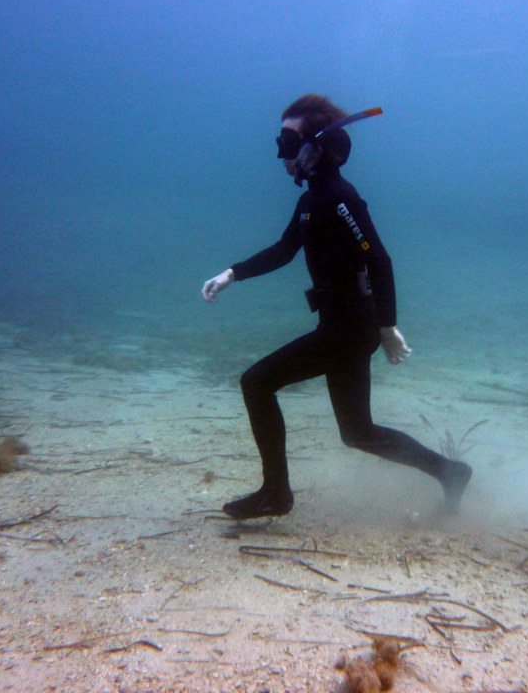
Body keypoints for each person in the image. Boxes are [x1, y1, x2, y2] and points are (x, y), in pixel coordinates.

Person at [201, 94, 472, 520]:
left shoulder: (339, 198)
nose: (281, 152)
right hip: (344, 327)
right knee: (357, 432)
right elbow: (284, 250)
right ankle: (450, 471)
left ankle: (276, 494)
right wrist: (232, 274)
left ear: (315, 147)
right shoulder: (312, 201)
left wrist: (387, 327)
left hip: (348, 329)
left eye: (289, 142)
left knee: (257, 383)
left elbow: (377, 258)